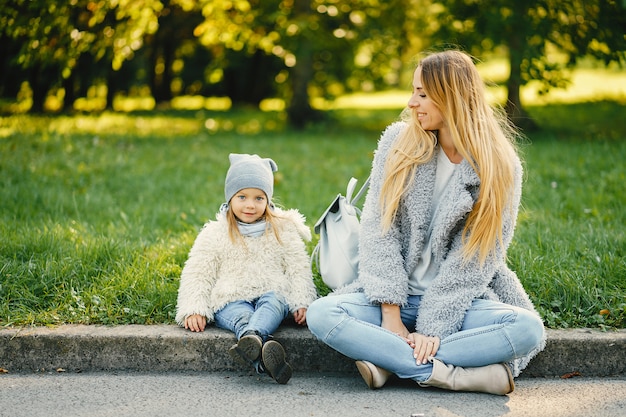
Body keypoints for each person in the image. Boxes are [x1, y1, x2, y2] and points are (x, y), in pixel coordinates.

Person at [306, 50, 545, 395]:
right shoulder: (398, 144)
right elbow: (379, 229)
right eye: (413, 92)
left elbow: (476, 258)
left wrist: (433, 330)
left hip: (459, 303)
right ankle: (453, 375)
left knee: (527, 330)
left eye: (421, 94)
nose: (411, 102)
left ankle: (388, 362)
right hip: (393, 298)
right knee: (322, 315)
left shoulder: (500, 166)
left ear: (451, 97)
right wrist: (390, 313)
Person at [175, 153, 318, 384]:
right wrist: (194, 308)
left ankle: (251, 340)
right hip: (230, 297)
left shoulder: (282, 230)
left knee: (272, 303)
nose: (250, 205)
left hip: (272, 292)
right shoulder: (215, 233)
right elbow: (198, 272)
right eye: (242, 196)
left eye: (258, 198)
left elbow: (297, 267)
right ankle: (262, 352)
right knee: (241, 316)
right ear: (230, 198)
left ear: (268, 200)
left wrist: (302, 301)